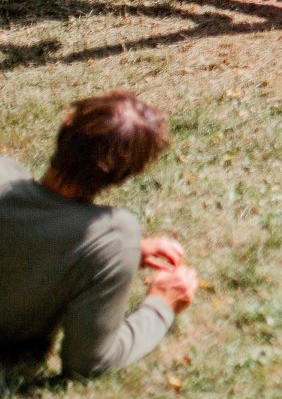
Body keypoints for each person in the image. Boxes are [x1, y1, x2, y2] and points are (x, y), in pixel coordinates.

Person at [0, 92, 198, 378]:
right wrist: (161, 305)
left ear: (66, 125)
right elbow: (88, 362)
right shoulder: (112, 239)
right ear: (126, 174)